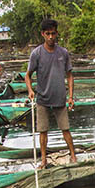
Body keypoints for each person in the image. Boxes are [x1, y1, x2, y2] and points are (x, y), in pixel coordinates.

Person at [25, 18, 77, 168]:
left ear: (57, 33)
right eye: (47, 34)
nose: (50, 37)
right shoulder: (37, 54)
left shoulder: (63, 53)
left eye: (53, 34)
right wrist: (30, 90)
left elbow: (70, 75)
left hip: (60, 98)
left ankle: (73, 155)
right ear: (42, 34)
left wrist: (71, 97)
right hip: (42, 98)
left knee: (65, 129)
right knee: (43, 131)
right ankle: (43, 159)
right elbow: (28, 75)